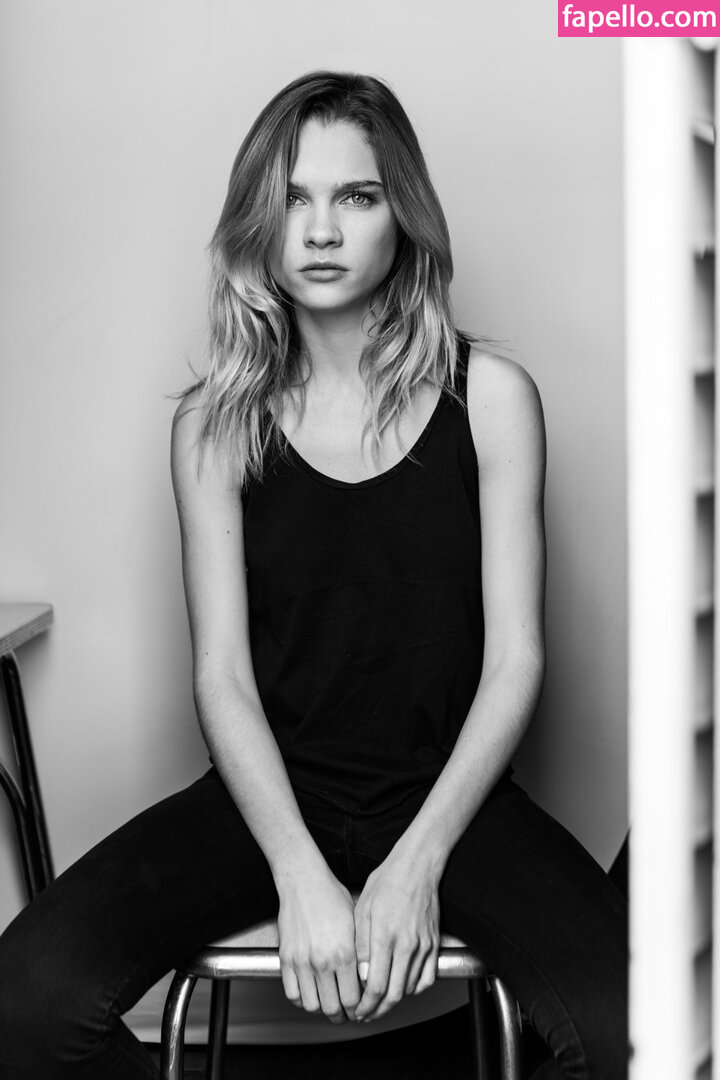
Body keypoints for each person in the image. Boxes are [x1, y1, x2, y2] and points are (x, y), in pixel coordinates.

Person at [0, 71, 627, 1079]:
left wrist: (417, 861)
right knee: (24, 1001)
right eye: (294, 198)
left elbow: (515, 661)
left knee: (642, 1032)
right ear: (261, 221)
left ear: (403, 216)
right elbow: (222, 677)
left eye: (356, 196)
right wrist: (296, 866)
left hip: (451, 800)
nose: (322, 230)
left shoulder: (494, 400)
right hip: (266, 800)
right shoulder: (212, 426)